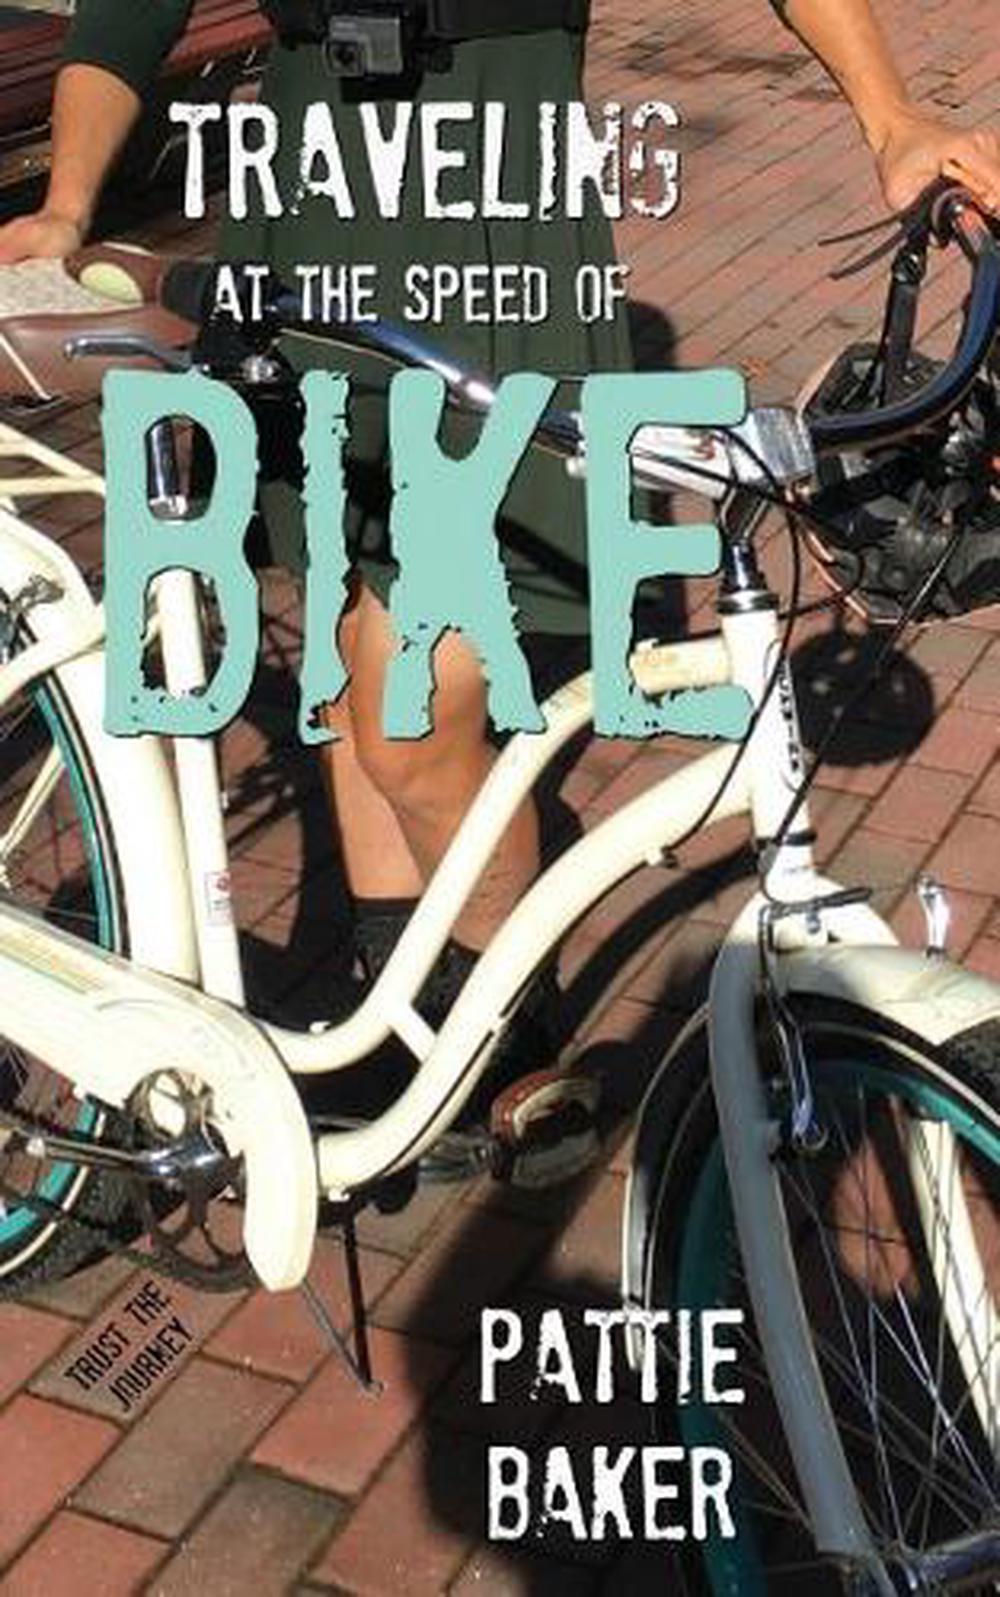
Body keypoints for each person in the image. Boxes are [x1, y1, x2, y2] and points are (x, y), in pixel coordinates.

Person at [0, 0, 998, 1149]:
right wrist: (67, 203)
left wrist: (889, 116)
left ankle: (508, 1042)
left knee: (415, 711)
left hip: (500, 225)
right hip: (305, 215)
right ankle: (403, 1031)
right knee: (348, 663)